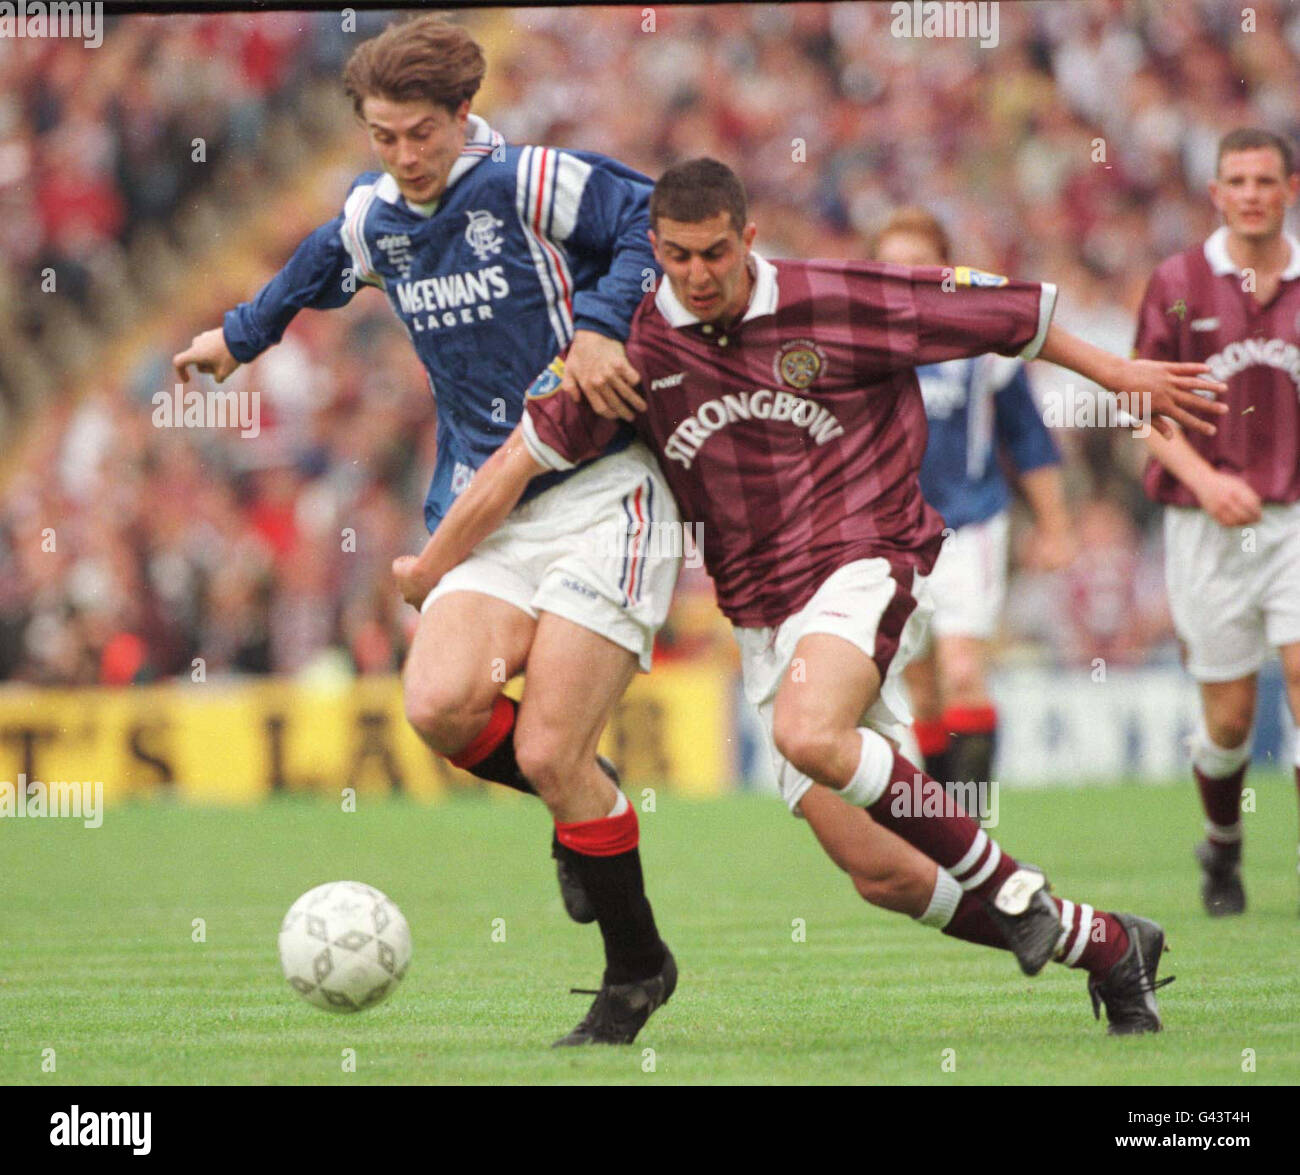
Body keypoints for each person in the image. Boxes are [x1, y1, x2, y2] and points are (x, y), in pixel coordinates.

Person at [396, 158, 1229, 1033]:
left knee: (808, 730)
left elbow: (1009, 312)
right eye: (676, 256)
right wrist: (429, 565)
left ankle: (1010, 886)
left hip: (863, 563)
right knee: (890, 875)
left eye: (714, 252)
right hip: (764, 619)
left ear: (748, 238)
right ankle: (1106, 945)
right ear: (655, 249)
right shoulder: (632, 349)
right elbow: (521, 457)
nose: (697, 274)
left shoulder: (837, 298)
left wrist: (1117, 373)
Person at [172, 14, 681, 1046]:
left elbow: (649, 218)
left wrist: (599, 324)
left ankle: (635, 972)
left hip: (600, 493)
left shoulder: (529, 180)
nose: (404, 157)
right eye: (382, 138)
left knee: (546, 743)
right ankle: (585, 795)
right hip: (481, 510)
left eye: (421, 135)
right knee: (442, 706)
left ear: (463, 116)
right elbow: (317, 262)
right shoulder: (376, 218)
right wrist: (236, 339)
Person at [1139, 127, 1300, 916]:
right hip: (1205, 526)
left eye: (1265, 180)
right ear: (1216, 192)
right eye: (1236, 180)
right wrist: (1204, 481)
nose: (1251, 193)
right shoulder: (1177, 282)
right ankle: (1224, 843)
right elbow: (1141, 406)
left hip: (1295, 519)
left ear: (1290, 189)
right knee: (1229, 720)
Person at [872, 208, 1075, 788]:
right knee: (921, 686)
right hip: (890, 533)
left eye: (918, 263)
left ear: (944, 269)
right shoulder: (862, 343)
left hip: (969, 524)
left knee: (964, 672)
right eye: (892, 265)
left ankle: (972, 824)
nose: (905, 275)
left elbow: (1027, 436)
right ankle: (947, 827)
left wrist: (1055, 523)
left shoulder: (980, 343)